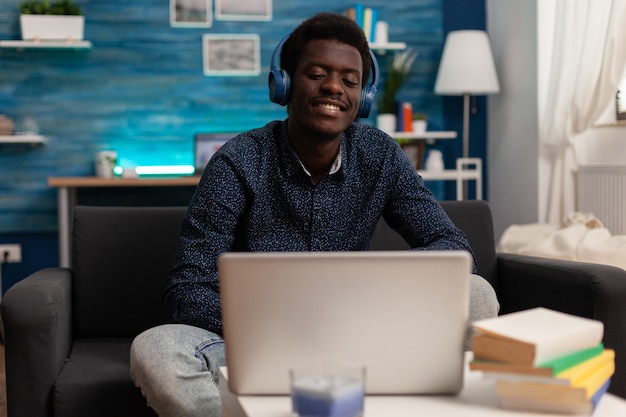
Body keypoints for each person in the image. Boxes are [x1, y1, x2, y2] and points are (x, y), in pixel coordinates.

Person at [130, 12, 498, 417]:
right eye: (317, 73)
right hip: (256, 342)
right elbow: (186, 290)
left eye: (349, 80)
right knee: (157, 348)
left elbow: (452, 247)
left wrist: (371, 294)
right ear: (283, 83)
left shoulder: (380, 155)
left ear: (364, 97)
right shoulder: (237, 162)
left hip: (359, 336)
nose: (333, 88)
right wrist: (284, 323)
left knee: (477, 292)